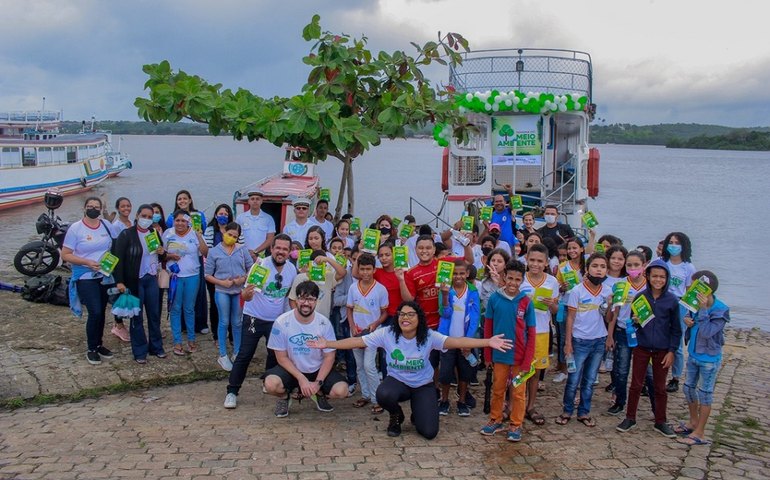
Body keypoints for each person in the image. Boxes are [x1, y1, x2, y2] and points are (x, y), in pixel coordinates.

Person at [308, 301, 512, 439]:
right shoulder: (387, 333)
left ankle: (419, 410)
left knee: (429, 432)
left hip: (422, 385)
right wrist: (328, 343)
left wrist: (488, 342)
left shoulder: (430, 336)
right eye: (401, 314)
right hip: (398, 383)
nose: (405, 318)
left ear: (419, 318)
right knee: (383, 393)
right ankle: (396, 416)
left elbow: (457, 341)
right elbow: (357, 341)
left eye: (410, 314)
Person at [224, 234, 297, 409]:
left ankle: (267, 382)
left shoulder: (291, 270)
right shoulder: (260, 266)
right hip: (254, 318)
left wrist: (288, 318)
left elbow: (288, 296)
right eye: (277, 248)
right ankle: (232, 392)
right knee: (245, 355)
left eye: (285, 249)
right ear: (271, 249)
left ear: (289, 252)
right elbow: (245, 295)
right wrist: (247, 294)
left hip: (277, 321)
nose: (281, 252)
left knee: (274, 354)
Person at [263, 281, 350, 417]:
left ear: (316, 301)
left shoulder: (324, 323)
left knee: (341, 390)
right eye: (302, 298)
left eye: (310, 299)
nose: (306, 303)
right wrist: (301, 378)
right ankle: (284, 397)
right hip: (292, 369)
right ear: (296, 299)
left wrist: (318, 382)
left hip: (316, 369)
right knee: (270, 384)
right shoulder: (281, 322)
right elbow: (281, 357)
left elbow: (329, 357)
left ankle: (319, 393)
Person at [616, 259, 682, 438]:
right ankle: (630, 418)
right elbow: (633, 321)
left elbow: (676, 329)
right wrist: (635, 323)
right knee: (636, 384)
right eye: (655, 276)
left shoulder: (672, 301)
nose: (658, 280)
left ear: (667, 278)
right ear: (648, 276)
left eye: (662, 277)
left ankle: (660, 421)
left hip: (662, 349)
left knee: (660, 387)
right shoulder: (641, 297)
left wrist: (672, 351)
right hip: (642, 347)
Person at [480, 260, 536, 442]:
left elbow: (532, 334)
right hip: (499, 354)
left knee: (518, 392)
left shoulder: (526, 303)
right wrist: (487, 355)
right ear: (504, 277)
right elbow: (488, 328)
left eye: (517, 279)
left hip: (520, 357)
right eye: (510, 278)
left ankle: (516, 424)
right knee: (498, 389)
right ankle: (495, 419)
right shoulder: (495, 299)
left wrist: (528, 361)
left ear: (522, 280)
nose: (513, 283)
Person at [556, 253, 611, 428]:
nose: (599, 270)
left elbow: (609, 318)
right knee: (573, 379)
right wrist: (568, 343)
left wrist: (611, 305)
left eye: (603, 267)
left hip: (599, 341)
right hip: (579, 341)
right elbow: (570, 318)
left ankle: (584, 412)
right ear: (587, 269)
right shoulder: (576, 291)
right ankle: (567, 410)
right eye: (595, 266)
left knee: (589, 380)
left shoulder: (608, 291)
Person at [675, 270, 728, 446]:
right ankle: (693, 421)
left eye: (694, 285)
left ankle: (700, 432)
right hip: (693, 353)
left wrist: (704, 310)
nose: (689, 287)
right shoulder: (694, 304)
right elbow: (690, 322)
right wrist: (688, 321)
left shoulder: (720, 309)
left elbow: (707, 333)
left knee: (705, 394)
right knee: (689, 388)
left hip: (709, 359)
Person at [62, 197, 116, 365]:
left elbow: (119, 240)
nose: (93, 209)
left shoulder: (106, 226)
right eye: (90, 206)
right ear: (84, 208)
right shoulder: (75, 229)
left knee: (102, 311)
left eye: (96, 207)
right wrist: (87, 262)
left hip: (104, 275)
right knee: (95, 312)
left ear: (101, 209)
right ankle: (91, 348)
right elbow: (66, 254)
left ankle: (99, 344)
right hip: (85, 276)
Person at [111, 204, 166, 363]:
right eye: (144, 216)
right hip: (134, 280)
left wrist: (163, 253)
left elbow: (160, 255)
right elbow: (118, 259)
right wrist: (119, 281)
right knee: (137, 316)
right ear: (137, 216)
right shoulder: (127, 234)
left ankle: (156, 347)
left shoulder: (153, 232)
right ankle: (140, 351)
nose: (146, 220)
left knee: (154, 314)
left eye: (150, 217)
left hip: (151, 279)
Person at [204, 222, 253, 371]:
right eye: (229, 234)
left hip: (238, 291)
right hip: (222, 291)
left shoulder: (242, 250)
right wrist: (221, 282)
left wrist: (243, 279)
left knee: (237, 322)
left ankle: (237, 352)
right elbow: (207, 274)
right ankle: (223, 354)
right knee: (224, 321)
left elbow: (251, 268)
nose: (231, 238)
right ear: (224, 232)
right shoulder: (214, 251)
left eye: (235, 236)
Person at [519, 244, 559, 426]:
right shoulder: (520, 279)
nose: (535, 264)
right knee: (519, 371)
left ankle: (530, 406)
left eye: (539, 261)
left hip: (541, 332)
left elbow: (557, 311)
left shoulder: (552, 282)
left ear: (546, 262)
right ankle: (515, 404)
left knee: (535, 373)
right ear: (526, 259)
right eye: (532, 260)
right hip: (520, 332)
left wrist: (552, 304)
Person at [437, 259, 480, 417]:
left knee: (464, 373)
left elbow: (475, 318)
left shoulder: (473, 292)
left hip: (464, 339)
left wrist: (468, 341)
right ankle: (444, 400)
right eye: (454, 274)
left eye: (462, 273)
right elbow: (444, 313)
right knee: (446, 373)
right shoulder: (445, 290)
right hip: (448, 339)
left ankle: (462, 401)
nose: (458, 277)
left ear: (467, 274)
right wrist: (445, 296)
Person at [162, 210, 209, 356]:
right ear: (173, 221)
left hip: (192, 276)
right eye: (177, 220)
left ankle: (191, 339)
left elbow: (205, 252)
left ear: (188, 222)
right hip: (174, 276)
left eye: (183, 221)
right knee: (175, 309)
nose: (180, 223)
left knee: (189, 308)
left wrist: (200, 236)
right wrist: (169, 256)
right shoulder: (168, 234)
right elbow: (161, 255)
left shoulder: (195, 233)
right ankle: (177, 341)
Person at [606, 251, 647, 416]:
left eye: (636, 265)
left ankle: (643, 402)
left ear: (644, 266)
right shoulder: (621, 284)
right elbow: (614, 312)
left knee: (644, 371)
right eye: (629, 265)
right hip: (622, 331)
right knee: (621, 370)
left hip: (643, 332)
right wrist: (610, 335)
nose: (632, 268)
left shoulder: (649, 285)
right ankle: (619, 401)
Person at [347, 253, 389, 413]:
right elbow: (349, 309)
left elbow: (385, 312)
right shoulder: (353, 287)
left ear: (373, 269)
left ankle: (378, 398)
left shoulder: (380, 289)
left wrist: (375, 323)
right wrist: (352, 326)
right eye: (362, 269)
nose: (365, 273)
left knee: (369, 365)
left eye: (368, 269)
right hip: (356, 332)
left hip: (372, 334)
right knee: (359, 366)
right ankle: (365, 394)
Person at [166, 189, 209, 335]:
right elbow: (169, 236)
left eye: (185, 198)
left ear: (190, 200)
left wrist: (198, 235)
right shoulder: (171, 217)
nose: (182, 201)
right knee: (177, 301)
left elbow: (202, 236)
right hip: (176, 267)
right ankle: (182, 326)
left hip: (194, 259)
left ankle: (200, 323)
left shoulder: (199, 215)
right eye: (179, 199)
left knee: (199, 293)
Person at [661, 231, 696, 393]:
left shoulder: (688, 267)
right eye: (671, 242)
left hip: (680, 304)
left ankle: (675, 377)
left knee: (677, 343)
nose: (673, 246)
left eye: (677, 243)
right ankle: (657, 374)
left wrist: (689, 313)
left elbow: (689, 292)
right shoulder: (661, 262)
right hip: (661, 302)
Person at [204, 203, 242, 343]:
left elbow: (241, 248)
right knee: (215, 305)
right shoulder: (209, 230)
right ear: (215, 215)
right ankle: (216, 335)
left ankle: (233, 336)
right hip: (215, 272)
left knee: (234, 309)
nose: (223, 216)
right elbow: (208, 252)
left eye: (226, 214)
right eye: (220, 214)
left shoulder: (235, 229)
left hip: (234, 274)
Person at [288, 249, 346, 319]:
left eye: (322, 265)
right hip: (303, 318)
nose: (318, 267)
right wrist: (298, 316)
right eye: (315, 264)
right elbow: (292, 299)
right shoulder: (300, 277)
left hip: (322, 320)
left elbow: (342, 273)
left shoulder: (328, 277)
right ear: (310, 264)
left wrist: (327, 259)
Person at [107, 196, 132, 342]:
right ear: (118, 208)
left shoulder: (132, 223)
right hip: (121, 264)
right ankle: (118, 325)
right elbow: (115, 250)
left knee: (129, 295)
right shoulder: (116, 226)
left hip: (133, 265)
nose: (126, 208)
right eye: (123, 206)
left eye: (128, 206)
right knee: (119, 295)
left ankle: (128, 323)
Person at [236, 190, 276, 261]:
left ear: (261, 201)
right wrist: (247, 252)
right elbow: (236, 237)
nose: (255, 201)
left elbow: (270, 239)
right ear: (248, 201)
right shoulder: (240, 218)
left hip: (261, 256)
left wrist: (255, 251)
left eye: (257, 199)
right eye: (252, 199)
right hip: (242, 255)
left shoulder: (269, 219)